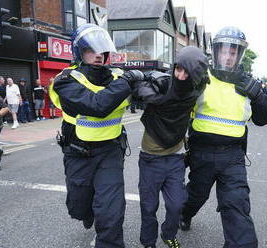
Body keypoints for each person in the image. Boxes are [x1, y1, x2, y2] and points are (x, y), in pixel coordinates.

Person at [179, 27, 267, 248]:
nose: (228, 56)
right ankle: (184, 214)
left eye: (233, 52)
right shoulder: (202, 77)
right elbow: (177, 105)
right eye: (224, 51)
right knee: (195, 196)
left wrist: (258, 95)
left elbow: (264, 118)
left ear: (239, 55)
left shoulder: (247, 83)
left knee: (237, 205)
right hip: (201, 153)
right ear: (215, 52)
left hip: (233, 157)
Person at [49, 23, 141, 248]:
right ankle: (86, 213)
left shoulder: (118, 76)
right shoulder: (66, 80)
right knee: (79, 207)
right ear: (79, 51)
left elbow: (150, 96)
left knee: (111, 210)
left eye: (102, 50)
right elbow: (97, 105)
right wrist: (129, 82)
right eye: (91, 49)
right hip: (77, 154)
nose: (99, 55)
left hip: (110, 152)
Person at [131, 46, 209, 248]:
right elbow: (142, 87)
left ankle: (168, 234)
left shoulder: (197, 88)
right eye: (178, 69)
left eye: (186, 71)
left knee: (177, 205)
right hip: (150, 158)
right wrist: (156, 98)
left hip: (175, 158)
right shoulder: (163, 82)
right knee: (149, 207)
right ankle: (148, 242)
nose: (181, 75)